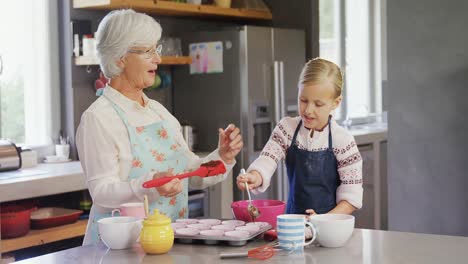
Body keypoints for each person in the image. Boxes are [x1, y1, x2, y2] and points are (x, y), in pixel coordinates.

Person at [76, 9, 243, 246]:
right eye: (148, 51)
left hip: (165, 244)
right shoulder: (98, 118)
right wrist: (151, 184)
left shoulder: (157, 111)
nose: (158, 59)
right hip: (120, 250)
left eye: (157, 49)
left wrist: (222, 157)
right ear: (120, 58)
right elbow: (102, 193)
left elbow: (191, 174)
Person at [236, 58, 362, 216]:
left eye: (318, 104)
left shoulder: (343, 141)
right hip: (293, 223)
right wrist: (255, 176)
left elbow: (352, 197)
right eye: (303, 100)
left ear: (335, 103)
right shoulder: (287, 128)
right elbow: (268, 158)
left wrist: (324, 221)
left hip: (331, 228)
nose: (308, 110)